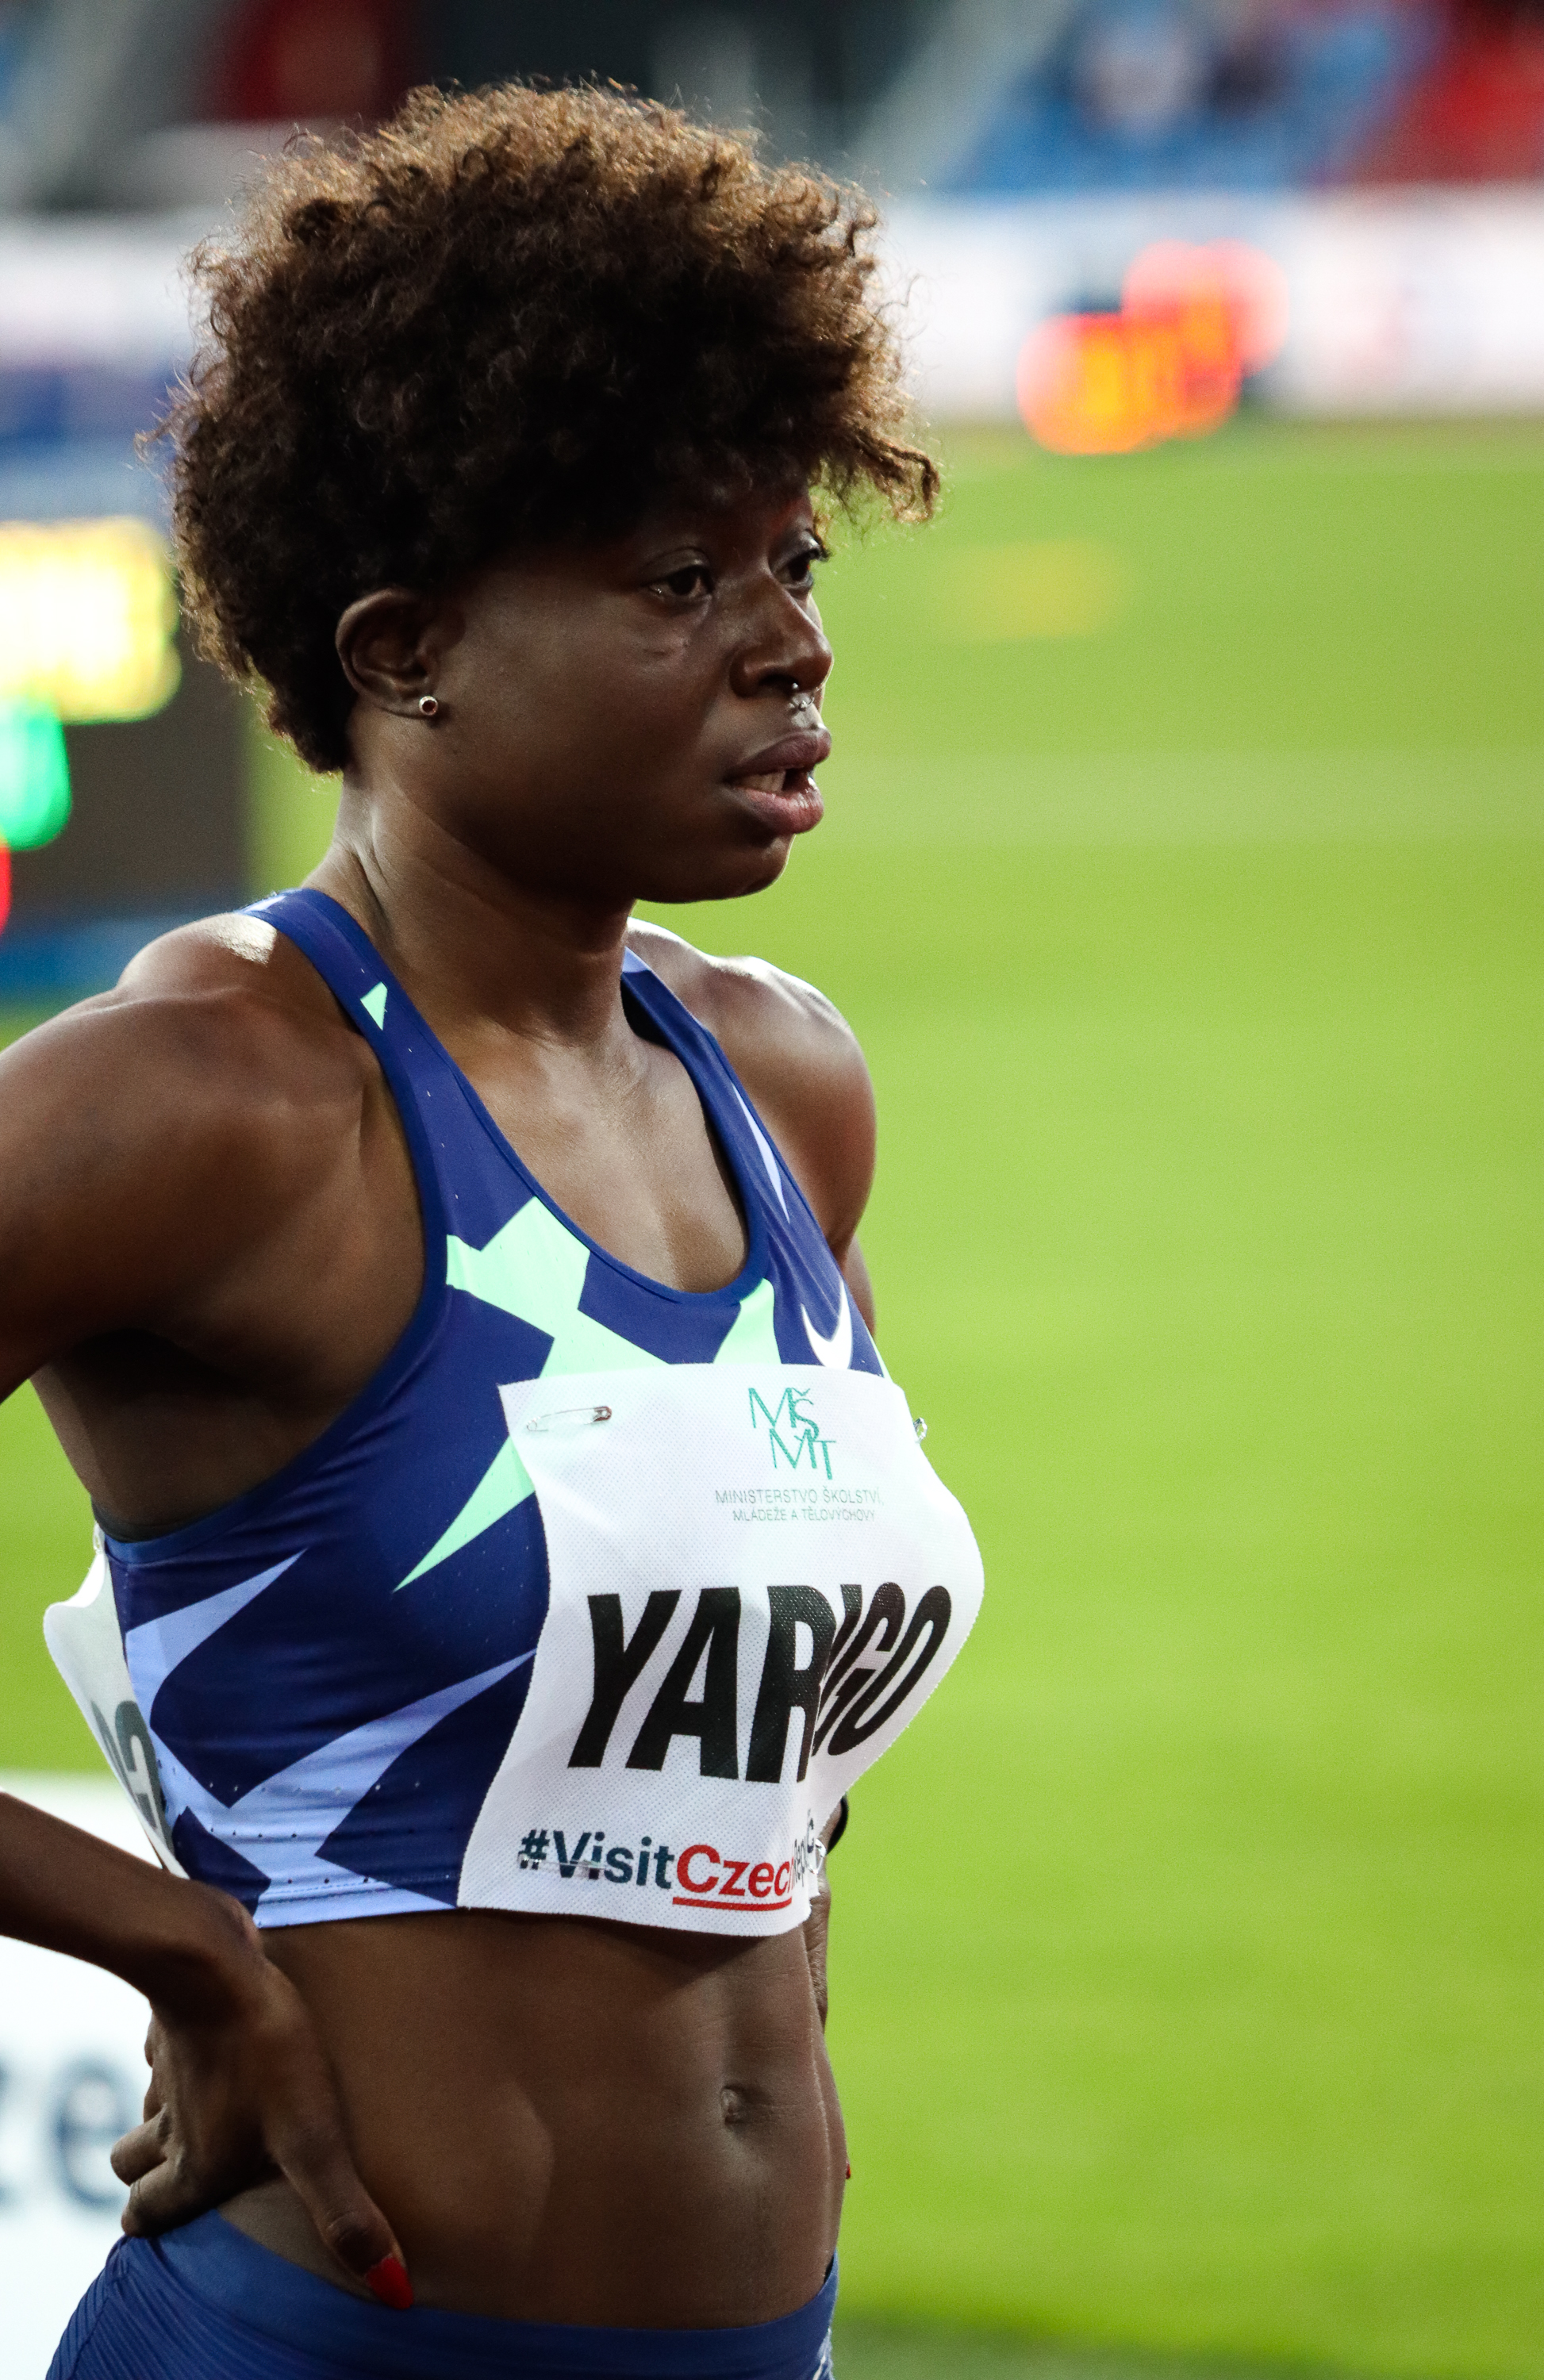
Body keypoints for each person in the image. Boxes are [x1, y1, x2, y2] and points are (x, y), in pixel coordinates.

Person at [0, 84, 984, 2380]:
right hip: (317, 2340)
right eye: (680, 582)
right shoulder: (204, 1099)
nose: (791, 647)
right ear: (408, 647)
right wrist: (185, 1950)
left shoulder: (785, 1086)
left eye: (794, 565)